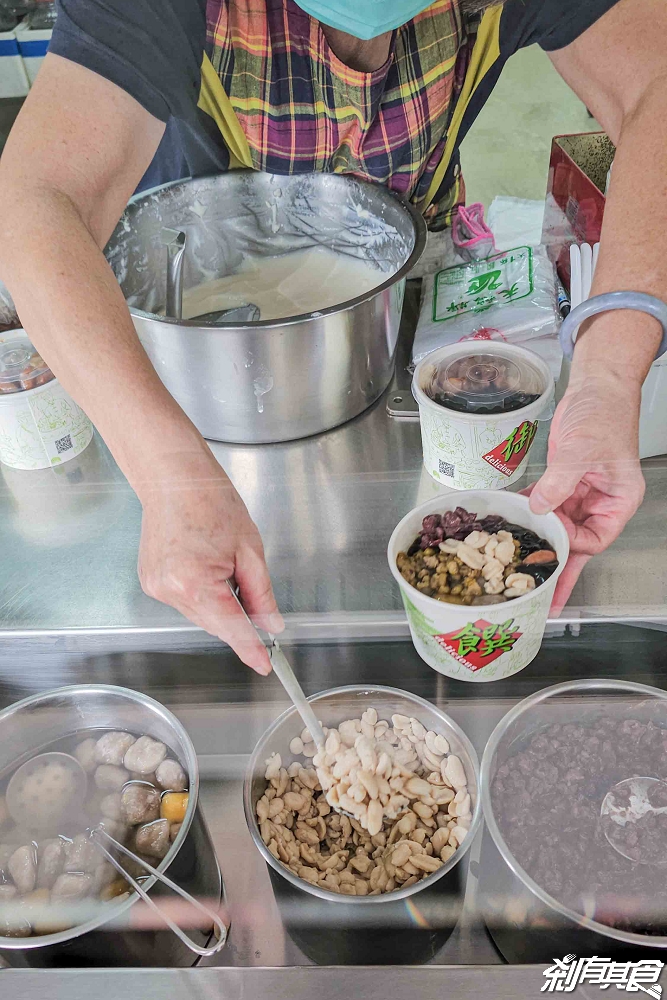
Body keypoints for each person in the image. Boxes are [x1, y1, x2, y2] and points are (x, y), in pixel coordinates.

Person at [0, 0, 663, 672]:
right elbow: (38, 197)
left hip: (398, 305)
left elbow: (654, 87)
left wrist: (608, 379)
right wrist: (170, 480)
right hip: (190, 359)